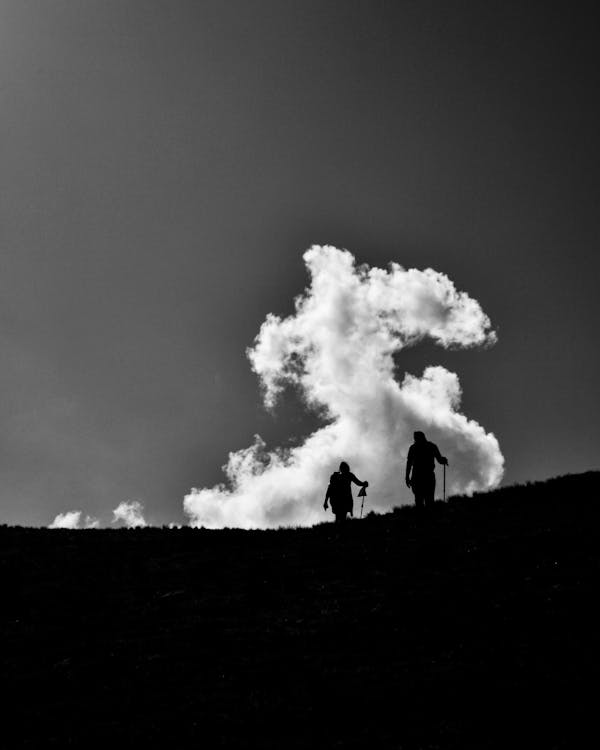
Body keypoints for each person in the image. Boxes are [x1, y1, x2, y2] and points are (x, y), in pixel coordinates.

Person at [405, 431, 448, 510]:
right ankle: (429, 519)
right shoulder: (431, 446)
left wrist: (407, 477)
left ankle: (422, 520)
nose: (415, 439)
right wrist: (443, 460)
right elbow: (440, 460)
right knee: (428, 500)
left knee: (419, 500)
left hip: (417, 477)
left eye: (416, 437)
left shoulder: (413, 448)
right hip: (427, 476)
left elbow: (409, 464)